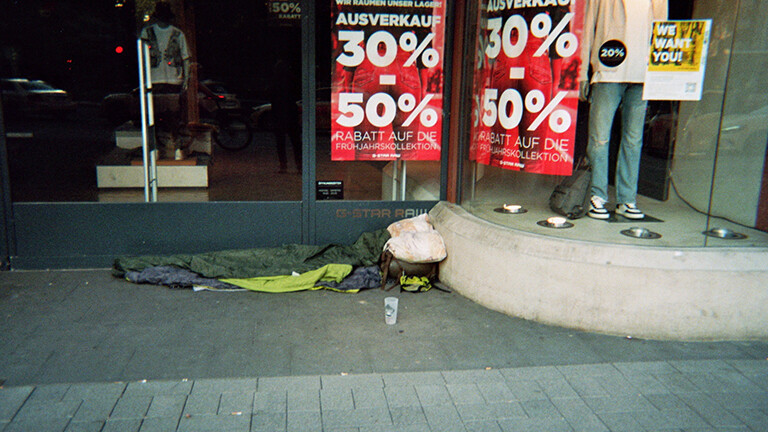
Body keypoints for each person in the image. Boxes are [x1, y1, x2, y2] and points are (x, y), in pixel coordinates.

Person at [579, 0, 668, 219]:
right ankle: (596, 195)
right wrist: (582, 71)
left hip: (641, 73)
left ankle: (627, 199)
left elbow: (663, 30)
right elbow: (587, 27)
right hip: (608, 70)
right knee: (599, 138)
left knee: (633, 139)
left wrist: (660, 73)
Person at [140, 2, 191, 158]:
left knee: (173, 116)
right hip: (154, 81)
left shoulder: (178, 34)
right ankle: (156, 148)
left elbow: (185, 59)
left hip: (172, 81)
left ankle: (175, 148)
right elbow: (142, 58)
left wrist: (186, 80)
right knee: (155, 116)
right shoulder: (146, 33)